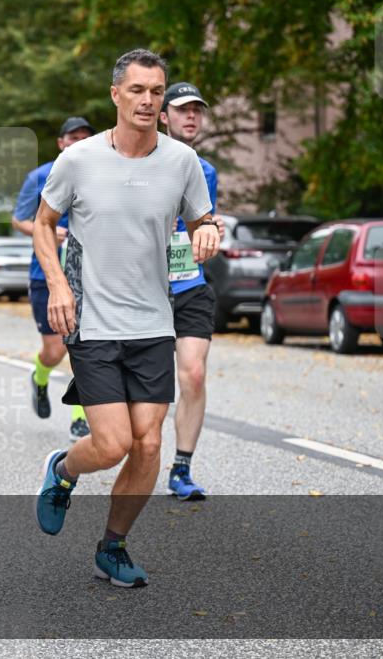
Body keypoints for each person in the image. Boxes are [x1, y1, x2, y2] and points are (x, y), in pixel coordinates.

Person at [33, 49, 221, 588]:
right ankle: (63, 470)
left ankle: (112, 547)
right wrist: (58, 285)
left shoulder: (181, 162)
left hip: (152, 322)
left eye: (156, 91)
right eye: (136, 90)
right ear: (116, 95)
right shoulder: (79, 160)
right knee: (112, 443)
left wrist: (207, 231)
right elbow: (45, 224)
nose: (147, 100)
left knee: (149, 445)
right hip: (91, 321)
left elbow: (202, 220)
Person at [158, 81, 225, 500]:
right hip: (142, 290)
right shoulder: (139, 163)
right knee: (146, 387)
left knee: (194, 374)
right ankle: (135, 451)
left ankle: (181, 468)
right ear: (163, 116)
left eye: (197, 110)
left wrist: (211, 234)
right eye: (182, 109)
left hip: (190, 285)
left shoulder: (206, 172)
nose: (192, 117)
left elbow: (203, 230)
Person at [12, 116, 95, 443]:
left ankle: (80, 417)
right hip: (44, 274)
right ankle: (41, 375)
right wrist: (48, 231)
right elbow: (19, 220)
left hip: (87, 276)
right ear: (61, 143)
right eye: (72, 138)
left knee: (83, 345)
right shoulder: (40, 176)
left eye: (85, 138)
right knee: (55, 349)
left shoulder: (100, 174)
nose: (78, 143)